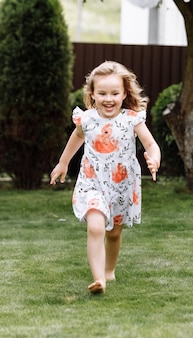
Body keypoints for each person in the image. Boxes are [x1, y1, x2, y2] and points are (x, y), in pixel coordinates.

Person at [50, 61, 161, 294]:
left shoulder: (132, 119)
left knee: (114, 233)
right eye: (102, 93)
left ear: (124, 94)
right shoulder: (87, 119)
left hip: (121, 186)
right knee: (96, 228)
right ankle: (98, 279)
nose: (108, 99)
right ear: (92, 94)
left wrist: (154, 158)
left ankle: (109, 269)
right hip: (92, 183)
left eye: (114, 93)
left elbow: (150, 144)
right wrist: (63, 162)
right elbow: (77, 138)